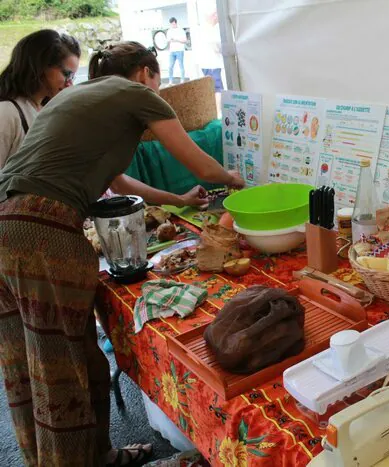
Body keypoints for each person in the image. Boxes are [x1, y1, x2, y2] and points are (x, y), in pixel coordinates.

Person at [0, 41, 244, 467]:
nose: (158, 91)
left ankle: (95, 456)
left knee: (29, 362)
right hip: (42, 232)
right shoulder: (135, 94)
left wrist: (181, 200)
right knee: (63, 368)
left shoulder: (78, 98)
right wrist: (232, 179)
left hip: (7, 223)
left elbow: (121, 183)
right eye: (157, 83)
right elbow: (205, 167)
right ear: (145, 74)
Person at [0, 29, 80, 167]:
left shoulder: (45, 110)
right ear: (41, 66)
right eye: (67, 74)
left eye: (73, 77)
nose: (70, 84)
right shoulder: (7, 113)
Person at [198, 10, 223, 94]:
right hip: (212, 64)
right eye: (216, 14)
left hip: (207, 64)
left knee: (213, 88)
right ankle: (218, 106)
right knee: (217, 89)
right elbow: (216, 47)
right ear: (213, 16)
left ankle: (217, 106)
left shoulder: (204, 28)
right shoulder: (210, 30)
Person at [167, 17, 187, 83]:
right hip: (172, 51)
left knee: (181, 65)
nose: (172, 25)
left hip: (179, 50)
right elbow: (168, 41)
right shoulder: (169, 31)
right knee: (170, 67)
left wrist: (176, 40)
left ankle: (182, 80)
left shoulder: (181, 30)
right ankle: (170, 81)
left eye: (173, 23)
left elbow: (185, 40)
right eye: (171, 24)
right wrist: (169, 49)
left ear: (175, 22)